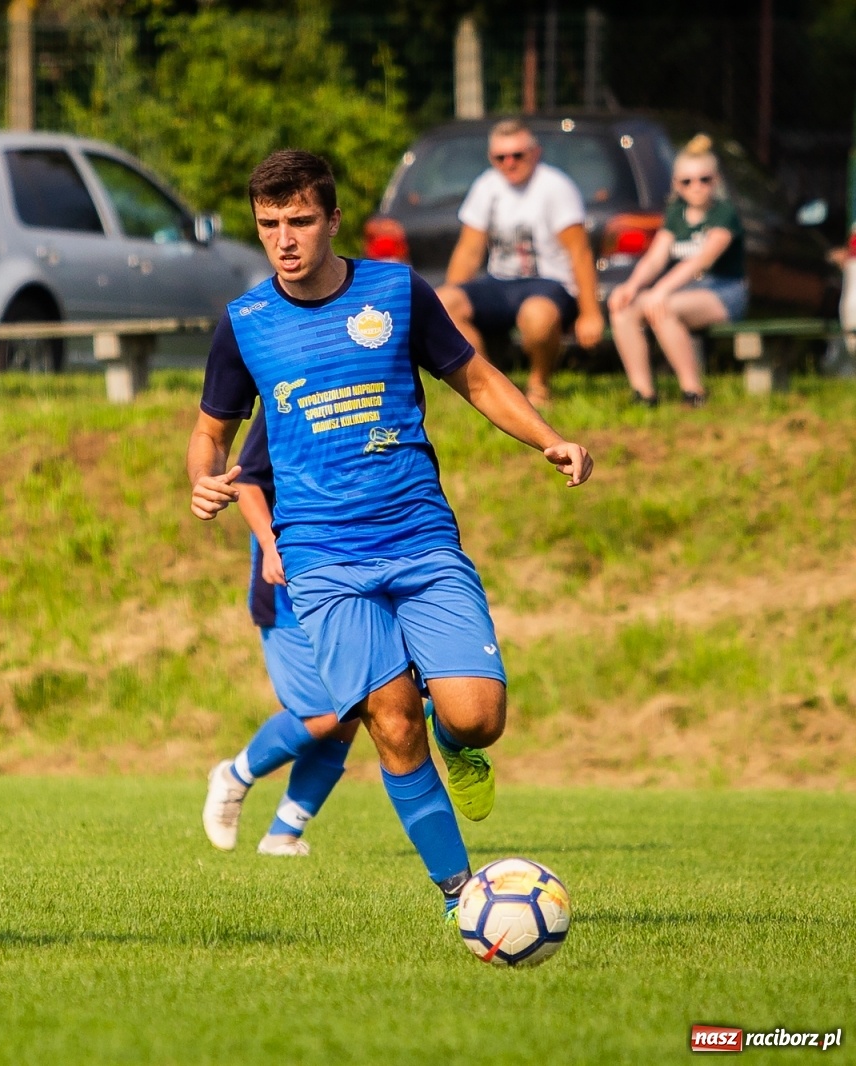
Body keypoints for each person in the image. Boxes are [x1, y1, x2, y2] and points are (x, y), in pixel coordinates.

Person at [188, 149, 593, 917]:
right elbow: (210, 432)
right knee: (392, 721)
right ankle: (460, 896)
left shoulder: (396, 292)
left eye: (300, 220)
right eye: (269, 224)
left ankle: (458, 741)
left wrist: (548, 439)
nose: (284, 239)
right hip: (322, 558)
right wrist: (203, 477)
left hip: (420, 539)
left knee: (477, 718)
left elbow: (475, 377)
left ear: (334, 220)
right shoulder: (245, 324)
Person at [202, 408, 360, 858]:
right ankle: (235, 776)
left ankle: (283, 833)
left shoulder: (370, 391)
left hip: (351, 575)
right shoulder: (287, 396)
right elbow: (248, 480)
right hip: (287, 585)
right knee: (324, 712)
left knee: (354, 710)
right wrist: (272, 548)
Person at [437, 119, 605, 407]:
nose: (509, 163)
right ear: (491, 158)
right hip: (500, 281)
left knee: (536, 316)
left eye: (518, 155)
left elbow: (579, 252)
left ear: (535, 153)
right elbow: (469, 250)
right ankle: (488, 386)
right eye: (500, 157)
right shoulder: (486, 186)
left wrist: (590, 313)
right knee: (443, 302)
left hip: (550, 284)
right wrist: (451, 304)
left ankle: (539, 384)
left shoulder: (555, 187)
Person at [608, 134, 745, 407]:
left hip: (723, 291)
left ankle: (692, 391)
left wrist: (660, 290)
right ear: (676, 184)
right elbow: (655, 258)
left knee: (664, 308)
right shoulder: (675, 213)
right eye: (687, 181)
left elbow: (702, 260)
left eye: (704, 179)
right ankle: (643, 393)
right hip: (684, 290)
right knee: (623, 309)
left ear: (716, 180)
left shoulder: (724, 213)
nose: (696, 187)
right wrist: (631, 287)